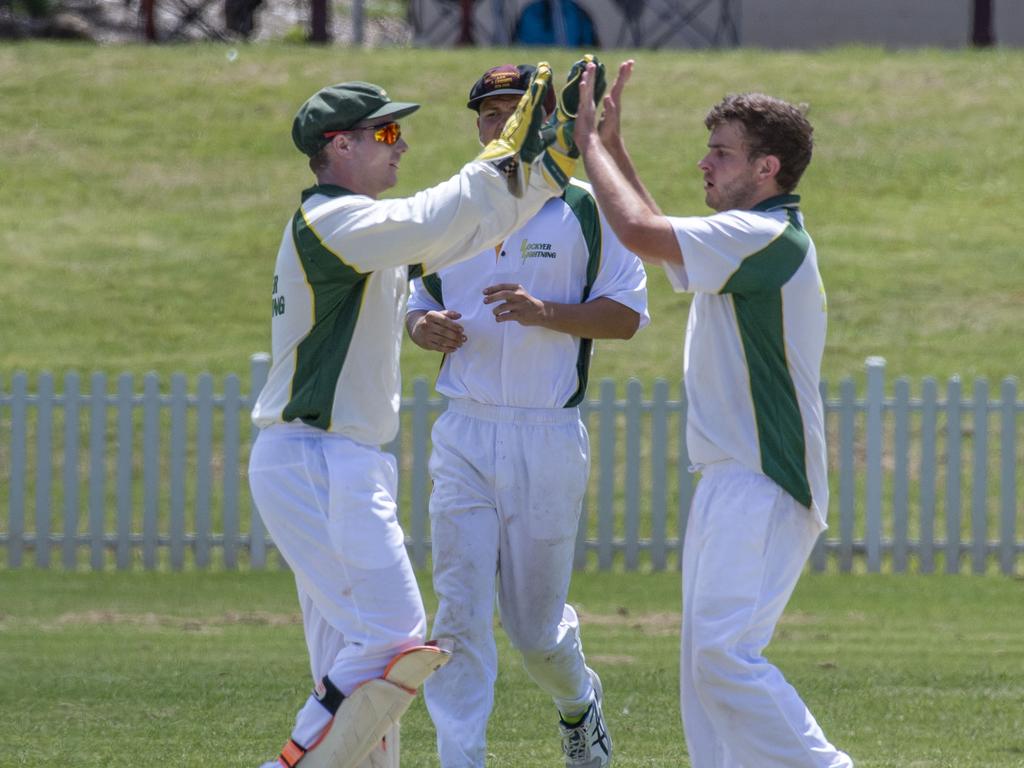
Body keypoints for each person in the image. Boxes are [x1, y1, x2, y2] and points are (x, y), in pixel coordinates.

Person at [248, 67, 580, 768]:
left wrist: (549, 170)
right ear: (338, 146)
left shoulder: (364, 231)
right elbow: (440, 214)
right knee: (398, 642)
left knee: (362, 659)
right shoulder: (338, 221)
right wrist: (503, 156)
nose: (402, 146)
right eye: (388, 132)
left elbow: (469, 227)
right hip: (320, 458)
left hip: (328, 460)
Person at [573, 61, 854, 767]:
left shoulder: (764, 239)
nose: (704, 161)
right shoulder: (745, 238)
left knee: (723, 659)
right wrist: (617, 146)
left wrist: (590, 148)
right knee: (706, 673)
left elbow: (638, 231)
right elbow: (659, 234)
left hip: (763, 477)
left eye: (721, 152)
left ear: (767, 167)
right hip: (733, 479)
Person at [405, 62, 648, 768]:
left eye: (515, 112)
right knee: (456, 616)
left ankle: (579, 706)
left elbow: (627, 317)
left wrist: (548, 314)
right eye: (489, 114)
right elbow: (416, 300)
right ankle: (462, 757)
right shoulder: (454, 205)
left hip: (546, 437)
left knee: (536, 632)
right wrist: (425, 328)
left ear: (542, 123)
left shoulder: (583, 208)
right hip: (464, 432)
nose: (500, 126)